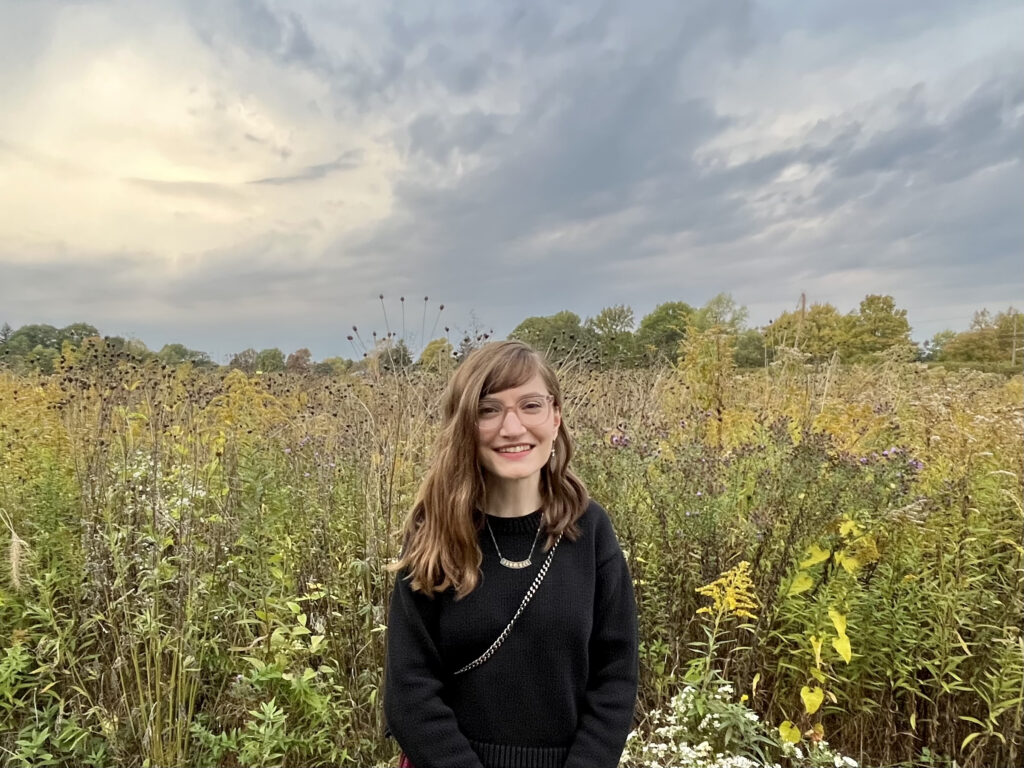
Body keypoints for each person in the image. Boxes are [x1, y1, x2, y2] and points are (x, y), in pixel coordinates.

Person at [384, 340, 638, 768]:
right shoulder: (436, 534)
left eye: (531, 406)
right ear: (465, 425)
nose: (513, 427)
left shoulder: (591, 532)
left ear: (555, 418)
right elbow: (409, 691)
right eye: (488, 410)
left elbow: (615, 677)